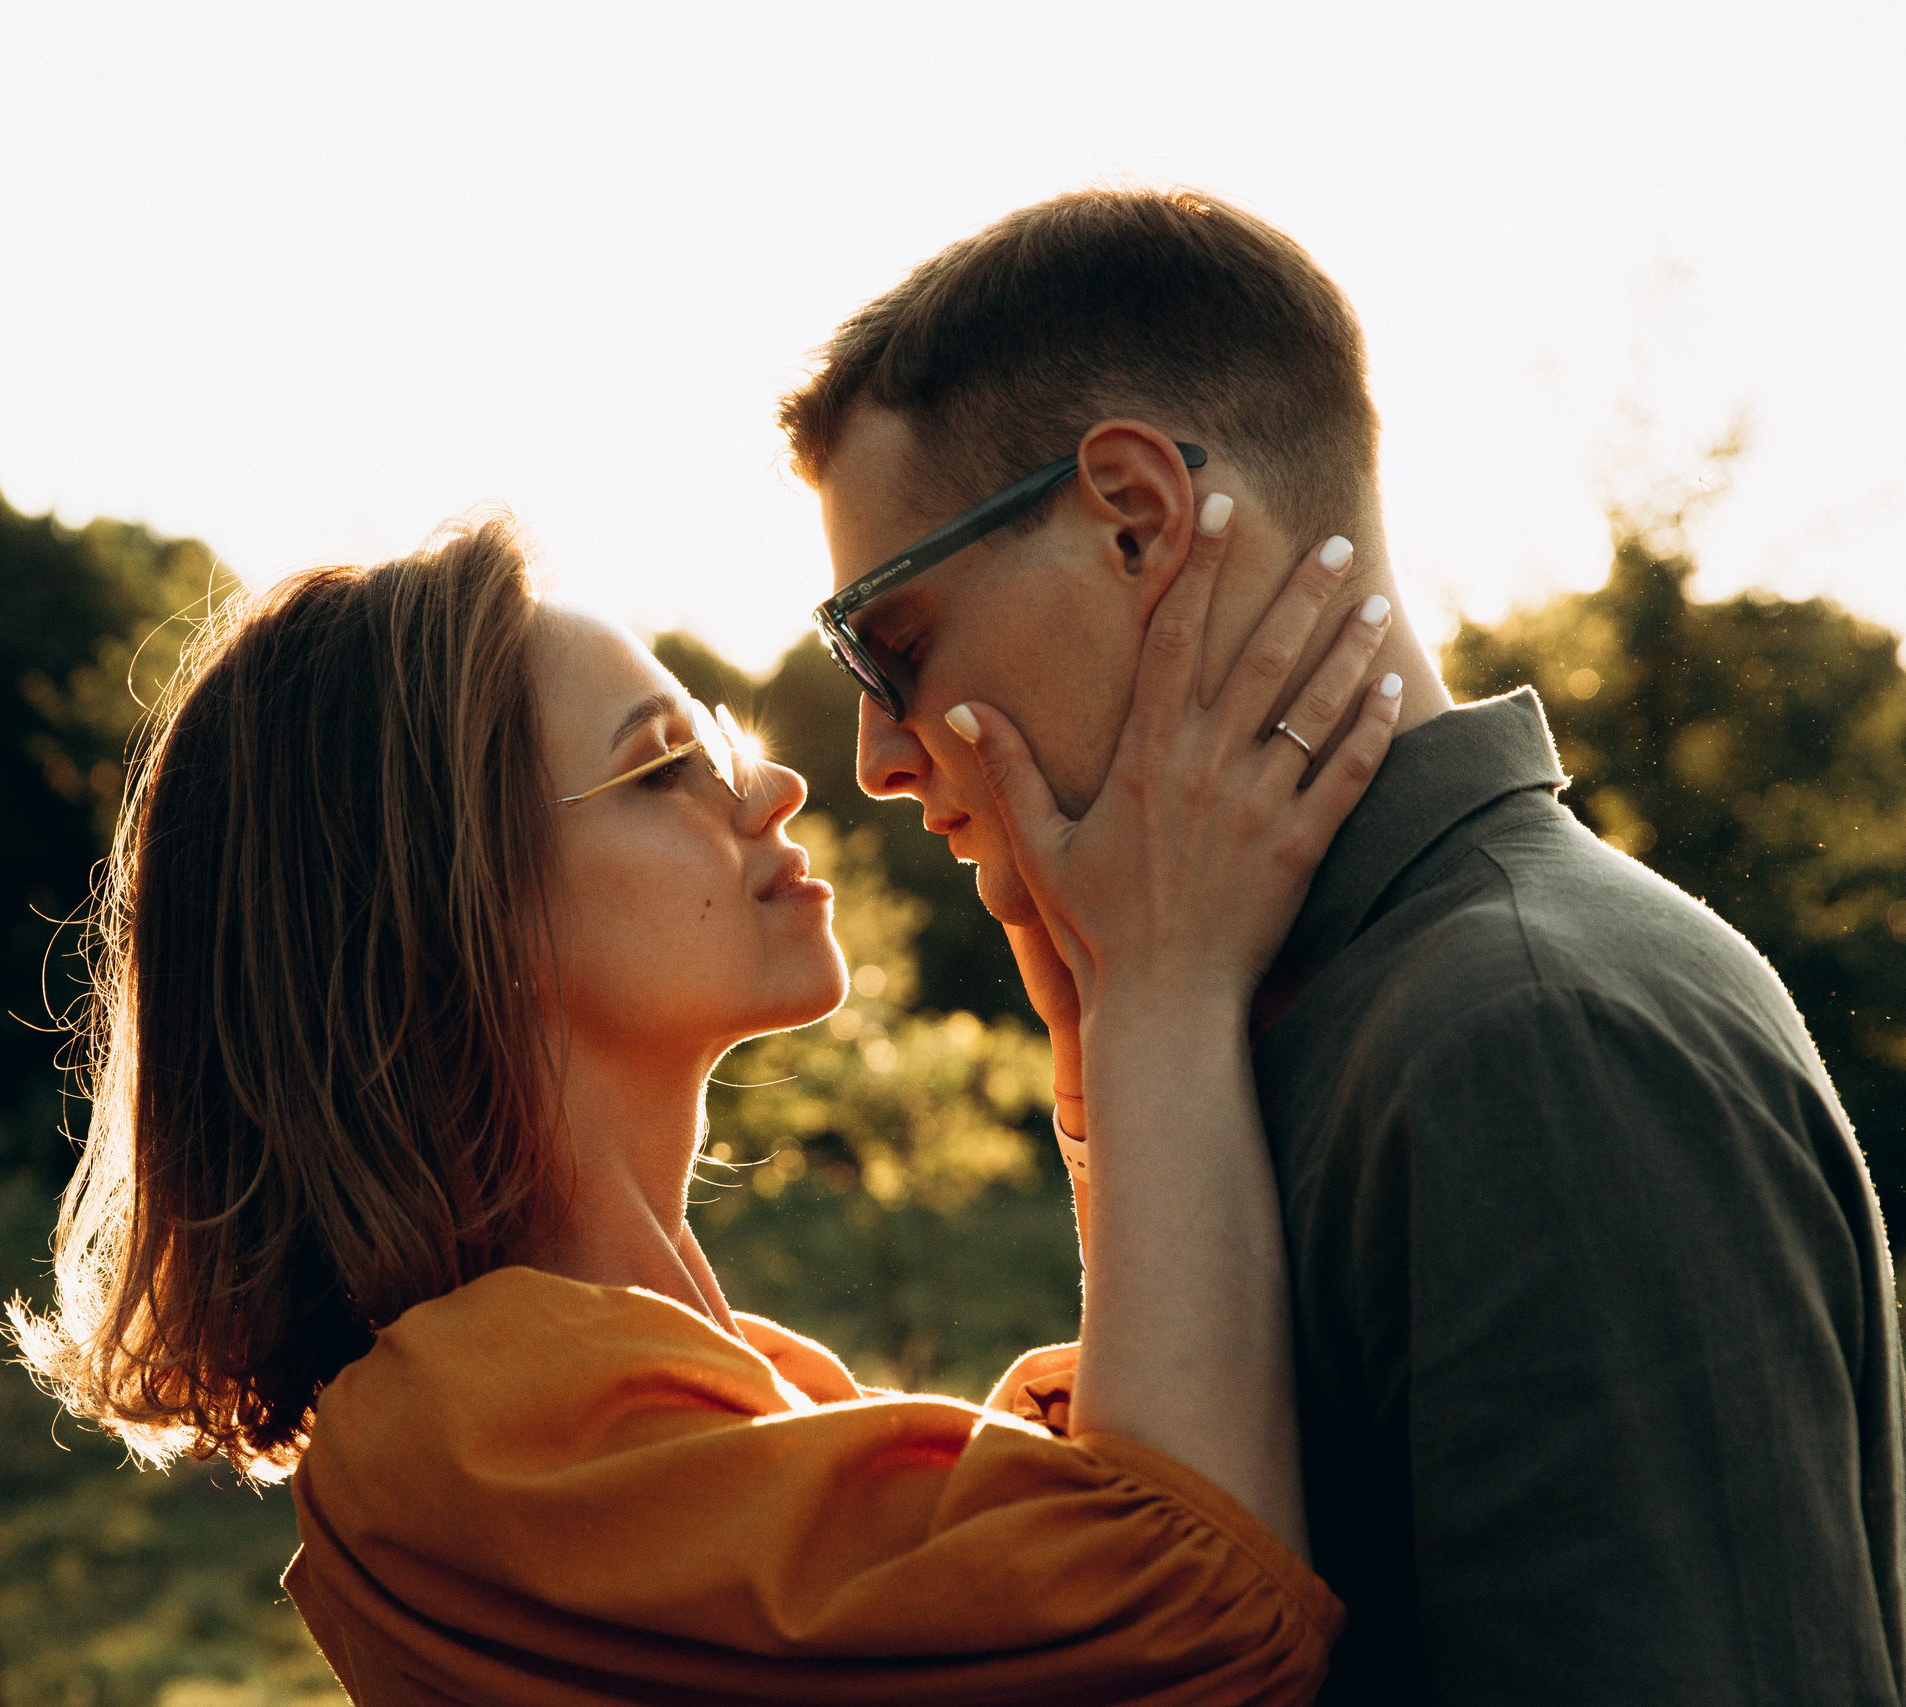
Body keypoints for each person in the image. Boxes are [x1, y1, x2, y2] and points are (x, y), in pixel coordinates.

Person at [780, 185, 1905, 1704]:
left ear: (1137, 519)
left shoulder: (1532, 1036)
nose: (878, 756)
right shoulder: (1295, 1025)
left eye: (893, 647)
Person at [9, 506, 1398, 1704]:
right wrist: (1159, 992)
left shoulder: (692, 1391)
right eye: (666, 764)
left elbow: (1080, 1561)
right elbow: (1185, 1614)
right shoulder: (469, 1444)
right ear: (454, 913)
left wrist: (1106, 1040)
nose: (779, 785)